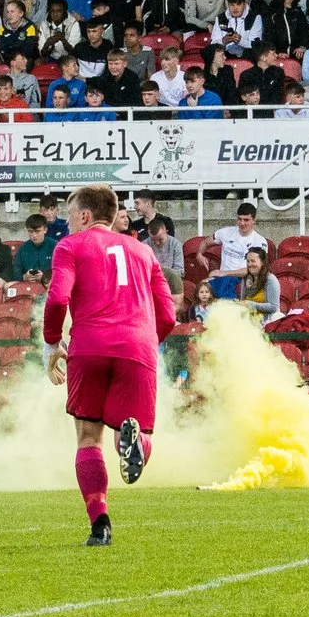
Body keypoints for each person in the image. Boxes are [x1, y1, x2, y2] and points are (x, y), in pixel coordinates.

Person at [43, 185, 178, 547]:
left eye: (71, 216)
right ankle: (134, 443)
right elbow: (168, 315)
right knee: (130, 434)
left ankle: (100, 522)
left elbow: (57, 298)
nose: (69, 224)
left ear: (85, 216)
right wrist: (147, 344)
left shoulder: (70, 246)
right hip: (137, 346)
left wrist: (52, 342)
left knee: (89, 439)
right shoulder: (143, 252)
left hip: (88, 347)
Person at [210, 202, 268, 275]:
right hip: (223, 278)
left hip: (245, 279)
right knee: (204, 284)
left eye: (246, 220)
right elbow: (206, 242)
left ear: (254, 220)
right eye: (239, 219)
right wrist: (199, 254)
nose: (242, 223)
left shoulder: (260, 241)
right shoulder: (225, 232)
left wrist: (224, 273)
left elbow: (256, 269)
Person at [233, 247, 282, 322]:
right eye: (248, 261)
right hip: (248, 319)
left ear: (262, 262)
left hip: (266, 320)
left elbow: (274, 307)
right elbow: (243, 302)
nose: (249, 264)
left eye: (253, 261)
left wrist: (252, 305)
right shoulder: (245, 278)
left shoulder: (270, 279)